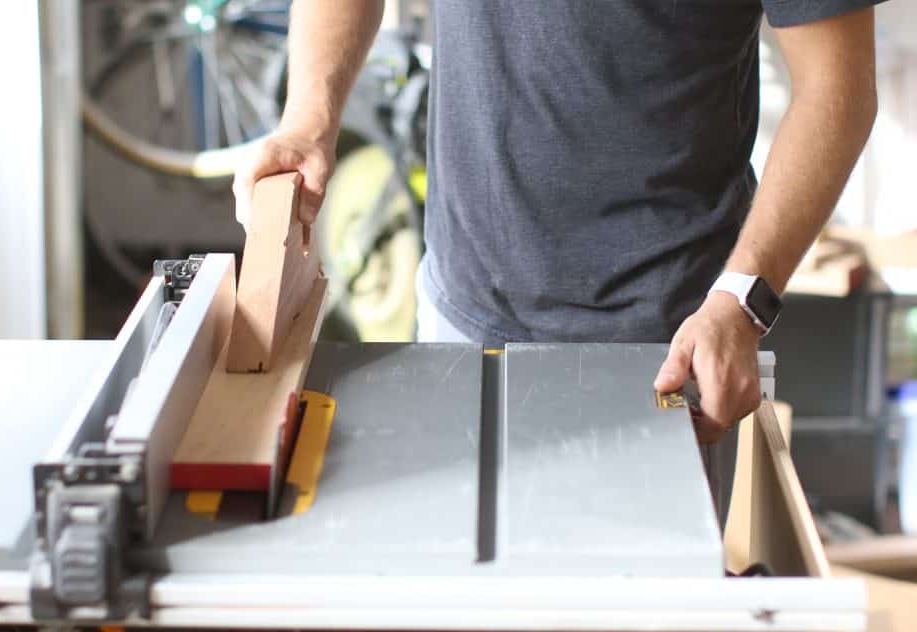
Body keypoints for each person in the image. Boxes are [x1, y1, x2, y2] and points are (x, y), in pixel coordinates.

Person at [233, 1, 881, 446]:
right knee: (459, 624)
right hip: (460, 305)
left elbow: (838, 91)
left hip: (662, 344)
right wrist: (308, 119)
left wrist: (741, 304)